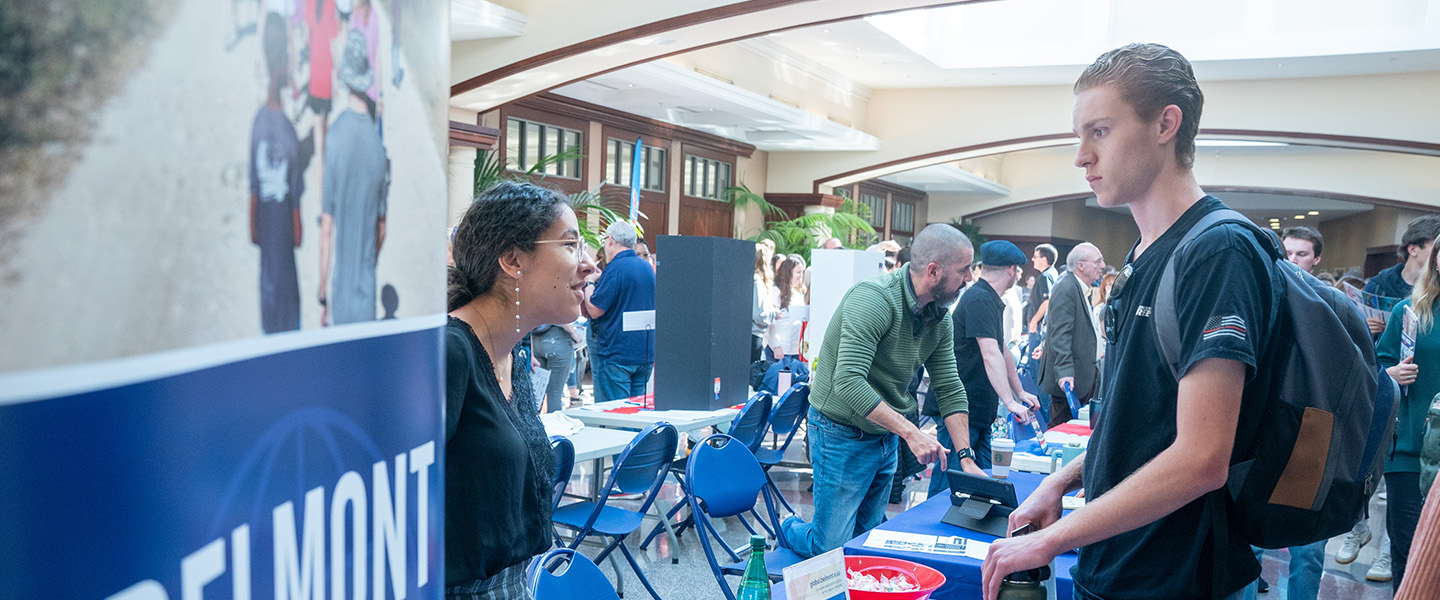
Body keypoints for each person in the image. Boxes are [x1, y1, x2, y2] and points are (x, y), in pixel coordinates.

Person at [982, 43, 1279, 600]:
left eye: (1099, 131)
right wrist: (1062, 479)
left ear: (1167, 124)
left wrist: (1050, 541)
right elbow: (1141, 420)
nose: (1080, 156)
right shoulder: (1147, 252)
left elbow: (1201, 459)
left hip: (1179, 578)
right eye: (1080, 135)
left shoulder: (1219, 250)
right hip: (1117, 564)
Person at [781, 223, 985, 558]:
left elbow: (949, 386)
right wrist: (910, 433)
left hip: (884, 433)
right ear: (934, 271)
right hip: (840, 431)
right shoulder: (873, 300)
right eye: (963, 271)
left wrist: (966, 457)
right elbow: (848, 382)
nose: (969, 279)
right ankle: (789, 528)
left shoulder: (939, 318)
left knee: (866, 540)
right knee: (830, 546)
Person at [444, 181, 596, 598]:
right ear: (513, 259)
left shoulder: (514, 357)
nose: (589, 265)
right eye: (570, 245)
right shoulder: (449, 353)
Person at [926, 240, 1040, 498]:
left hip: (976, 408)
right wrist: (1009, 401)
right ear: (1011, 269)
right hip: (960, 407)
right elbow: (990, 353)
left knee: (982, 479)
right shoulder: (979, 298)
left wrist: (1018, 392)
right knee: (950, 484)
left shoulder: (988, 297)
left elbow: (1001, 350)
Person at [1375, 238, 1440, 592]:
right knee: (1409, 553)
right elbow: (1379, 368)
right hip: (1410, 451)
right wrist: (1391, 374)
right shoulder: (1411, 311)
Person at [318, 30, 389, 325]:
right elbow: (382, 228)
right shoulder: (378, 147)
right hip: (367, 294)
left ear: (345, 77)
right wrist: (368, 260)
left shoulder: (335, 134)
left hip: (341, 294)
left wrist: (322, 290)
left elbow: (326, 227)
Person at [249, 12, 304, 334]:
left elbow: (254, 188)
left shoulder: (259, 122)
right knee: (285, 294)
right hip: (281, 220)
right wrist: (296, 222)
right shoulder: (284, 130)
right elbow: (292, 189)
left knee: (269, 283)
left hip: (268, 220)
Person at [582, 221, 656, 402]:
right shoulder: (647, 268)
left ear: (610, 241)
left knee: (617, 413)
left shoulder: (615, 269)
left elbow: (595, 310)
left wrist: (590, 283)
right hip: (644, 352)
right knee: (636, 410)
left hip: (617, 353)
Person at [1039, 243, 1104, 426]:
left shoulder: (1079, 287)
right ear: (1081, 265)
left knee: (1075, 430)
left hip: (1082, 375)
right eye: (1098, 262)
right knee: (1061, 430)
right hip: (1069, 380)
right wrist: (1065, 372)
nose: (1103, 266)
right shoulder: (1067, 287)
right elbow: (1060, 334)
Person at [1364, 215, 1440, 334]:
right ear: (1413, 250)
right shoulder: (1377, 285)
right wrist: (1365, 326)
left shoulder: (1436, 289)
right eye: (1435, 247)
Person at [767, 254, 808, 360]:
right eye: (798, 272)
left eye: (802, 272)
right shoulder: (776, 292)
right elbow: (771, 323)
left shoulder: (798, 293)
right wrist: (776, 346)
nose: (801, 276)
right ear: (788, 273)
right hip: (779, 349)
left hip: (795, 349)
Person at [1023, 244, 1060, 336]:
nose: (1032, 259)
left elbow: (1047, 301)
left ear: (1044, 260)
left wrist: (1034, 321)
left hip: (1039, 327)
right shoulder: (1053, 273)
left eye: (1035, 257)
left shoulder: (1045, 276)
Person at [752, 244, 779, 363]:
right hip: (755, 336)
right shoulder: (757, 282)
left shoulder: (750, 280)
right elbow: (758, 314)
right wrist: (774, 313)